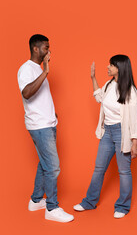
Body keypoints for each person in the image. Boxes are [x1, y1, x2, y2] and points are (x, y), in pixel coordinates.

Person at [73, 55, 137, 218]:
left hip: (122, 133)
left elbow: (135, 120)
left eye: (111, 65)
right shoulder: (109, 84)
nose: (108, 67)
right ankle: (89, 202)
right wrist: (93, 77)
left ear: (120, 68)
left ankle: (123, 207)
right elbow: (99, 97)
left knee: (124, 171)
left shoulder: (131, 92)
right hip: (107, 132)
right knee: (99, 168)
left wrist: (134, 143)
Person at [18, 34, 74, 223]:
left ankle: (35, 201)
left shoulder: (37, 69)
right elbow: (26, 93)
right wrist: (46, 72)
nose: (49, 51)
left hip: (47, 123)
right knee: (53, 167)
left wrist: (52, 113)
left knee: (44, 163)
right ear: (35, 48)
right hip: (40, 126)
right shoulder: (27, 69)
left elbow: (40, 97)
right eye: (46, 48)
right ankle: (52, 207)